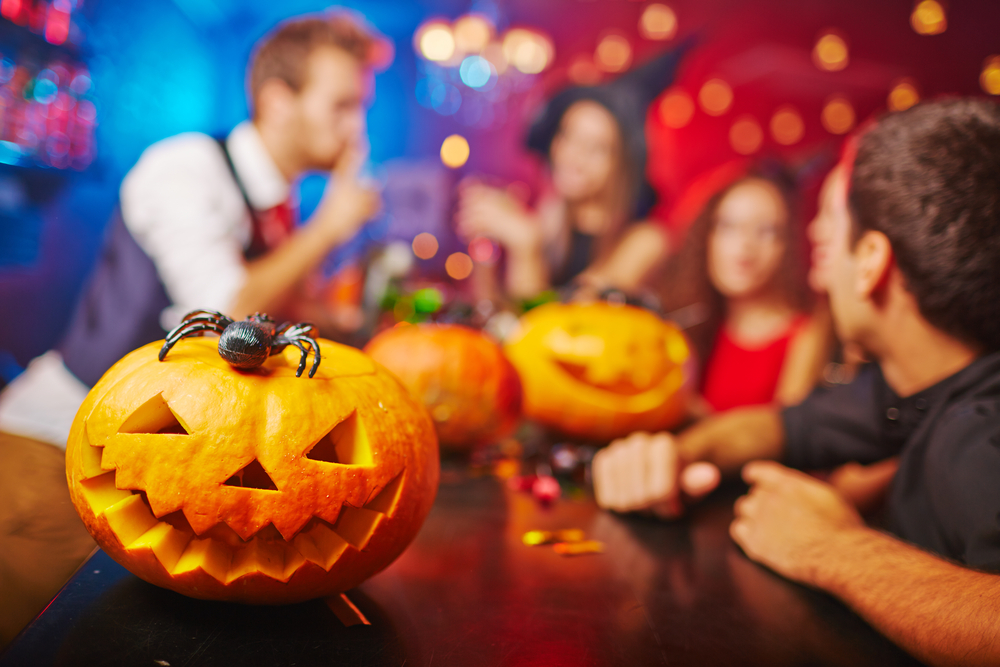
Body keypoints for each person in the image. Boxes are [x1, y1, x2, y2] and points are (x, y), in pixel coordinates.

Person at [593, 98, 1000, 666]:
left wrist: (837, 549)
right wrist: (675, 456)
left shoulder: (981, 437)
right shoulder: (908, 385)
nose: (813, 235)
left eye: (830, 222)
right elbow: (784, 426)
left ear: (870, 261)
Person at [0, 12, 381, 449]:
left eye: (362, 108)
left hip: (160, 447)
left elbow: (282, 315)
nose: (357, 128)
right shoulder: (184, 168)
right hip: (60, 434)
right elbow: (228, 312)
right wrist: (329, 226)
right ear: (278, 102)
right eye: (342, 106)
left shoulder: (279, 200)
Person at [455, 45, 690, 301]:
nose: (573, 157)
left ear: (622, 165)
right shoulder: (553, 218)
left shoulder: (648, 241)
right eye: (567, 136)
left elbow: (561, 328)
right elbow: (498, 316)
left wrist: (526, 247)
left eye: (597, 149)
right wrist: (487, 246)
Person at [663, 166, 831, 412]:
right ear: (706, 237)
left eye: (766, 231)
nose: (744, 246)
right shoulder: (694, 322)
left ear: (788, 245)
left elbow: (781, 438)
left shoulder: (806, 334)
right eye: (728, 227)